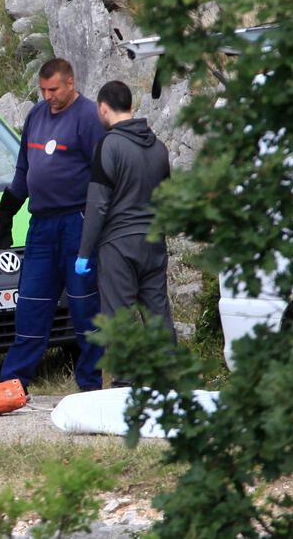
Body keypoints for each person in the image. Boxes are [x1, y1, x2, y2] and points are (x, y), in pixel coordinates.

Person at [0, 58, 107, 391]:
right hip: (41, 226)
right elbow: (23, 171)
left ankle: (89, 385)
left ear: (70, 83)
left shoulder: (88, 116)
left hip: (78, 222)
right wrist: (6, 214)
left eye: (54, 90)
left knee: (85, 307)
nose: (48, 96)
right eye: (43, 90)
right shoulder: (36, 115)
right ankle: (13, 384)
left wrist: (98, 225)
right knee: (31, 304)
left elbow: (102, 175)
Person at [75, 81, 175, 387]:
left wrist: (83, 253)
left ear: (103, 108)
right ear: (130, 106)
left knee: (120, 315)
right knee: (157, 311)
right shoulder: (158, 147)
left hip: (118, 245)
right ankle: (169, 375)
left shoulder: (109, 145)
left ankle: (125, 383)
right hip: (153, 243)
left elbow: (98, 205)